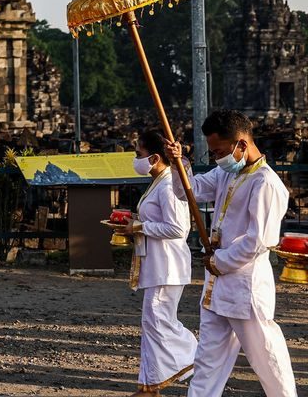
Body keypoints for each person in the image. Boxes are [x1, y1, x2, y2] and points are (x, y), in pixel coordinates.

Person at [164, 110, 296, 397]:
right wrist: (177, 164)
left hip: (245, 288)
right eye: (213, 153)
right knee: (207, 362)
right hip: (216, 288)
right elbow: (190, 190)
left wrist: (219, 261)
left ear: (241, 145)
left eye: (220, 152)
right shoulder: (226, 173)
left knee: (268, 359)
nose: (216, 159)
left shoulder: (266, 184)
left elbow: (258, 241)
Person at [114, 129, 196, 396]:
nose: (135, 158)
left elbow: (177, 228)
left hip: (168, 266)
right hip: (158, 265)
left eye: (139, 154)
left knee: (160, 322)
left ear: (155, 157)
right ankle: (149, 386)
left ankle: (201, 358)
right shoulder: (158, 181)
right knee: (152, 324)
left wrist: (140, 227)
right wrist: (137, 226)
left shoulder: (168, 185)